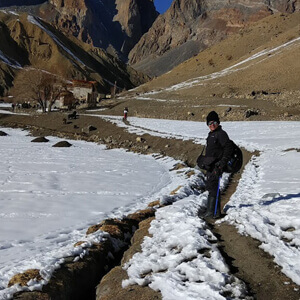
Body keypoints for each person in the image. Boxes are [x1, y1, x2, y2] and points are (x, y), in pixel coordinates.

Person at [199, 111, 234, 219]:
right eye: (209, 123)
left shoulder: (221, 134)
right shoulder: (212, 134)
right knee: (212, 186)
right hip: (211, 165)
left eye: (214, 122)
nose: (212, 125)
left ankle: (212, 213)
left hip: (217, 165)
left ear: (218, 122)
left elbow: (228, 149)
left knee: (213, 186)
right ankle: (214, 212)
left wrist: (222, 163)